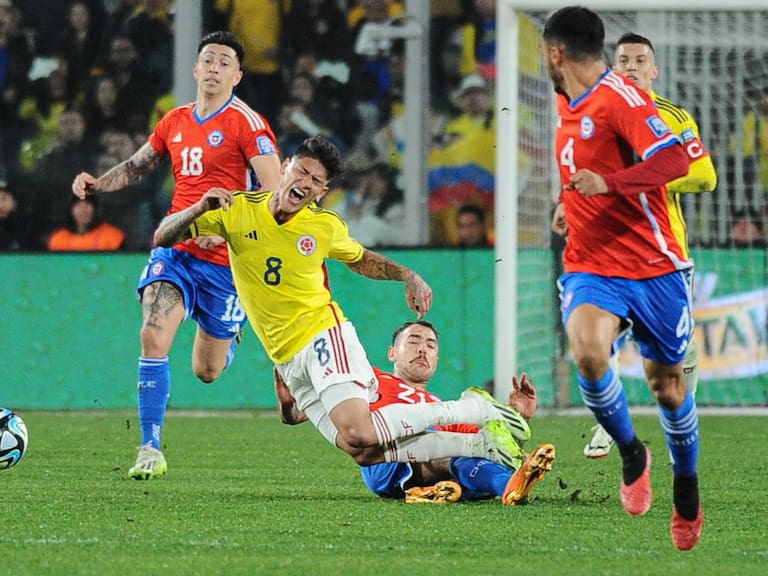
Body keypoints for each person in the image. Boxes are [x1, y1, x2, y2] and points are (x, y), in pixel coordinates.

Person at [153, 135, 536, 477]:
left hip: (322, 333)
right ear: (285, 167)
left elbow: (361, 259)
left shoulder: (323, 226)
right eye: (302, 172)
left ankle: (475, 410)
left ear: (323, 191)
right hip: (285, 357)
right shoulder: (237, 211)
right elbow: (163, 236)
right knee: (364, 451)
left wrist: (406, 274)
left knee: (360, 430)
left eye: (317, 182)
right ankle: (478, 446)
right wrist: (199, 207)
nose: (306, 184)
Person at [71, 31, 282, 480]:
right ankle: (149, 446)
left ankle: (231, 334)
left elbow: (274, 194)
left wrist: (226, 231)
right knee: (152, 336)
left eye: (224, 62)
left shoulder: (249, 124)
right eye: (207, 60)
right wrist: (97, 184)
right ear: (194, 69)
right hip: (177, 248)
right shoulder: (176, 121)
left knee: (206, 371)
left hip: (227, 262)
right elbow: (138, 165)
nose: (213, 68)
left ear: (237, 75)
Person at [542, 7, 703, 551]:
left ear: (556, 54)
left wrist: (609, 185)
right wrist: (566, 204)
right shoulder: (565, 101)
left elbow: (677, 160)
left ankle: (686, 486)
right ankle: (633, 453)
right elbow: (578, 170)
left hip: (655, 267)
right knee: (588, 351)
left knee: (669, 387)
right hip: (591, 263)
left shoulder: (622, 100)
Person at [581, 32, 718, 460]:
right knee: (603, 335)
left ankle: (683, 414)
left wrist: (638, 179)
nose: (632, 66)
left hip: (665, 251)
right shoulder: (597, 118)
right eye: (623, 60)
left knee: (676, 349)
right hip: (612, 248)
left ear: (654, 70)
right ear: (612, 68)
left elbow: (705, 175)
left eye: (641, 60)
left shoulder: (674, 118)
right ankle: (607, 424)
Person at [275, 320, 556, 505]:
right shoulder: (369, 379)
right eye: (413, 341)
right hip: (382, 461)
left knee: (475, 453)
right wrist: (290, 404)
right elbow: (300, 415)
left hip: (431, 462)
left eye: (431, 345)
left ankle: (441, 492)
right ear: (392, 353)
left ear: (436, 360)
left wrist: (520, 416)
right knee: (454, 451)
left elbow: (495, 447)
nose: (423, 348)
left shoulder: (436, 404)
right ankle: (507, 485)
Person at [48, 195, 125, 251]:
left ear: (96, 210)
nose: (83, 210)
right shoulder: (59, 239)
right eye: (78, 205)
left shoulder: (112, 236)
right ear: (70, 210)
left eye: (87, 205)